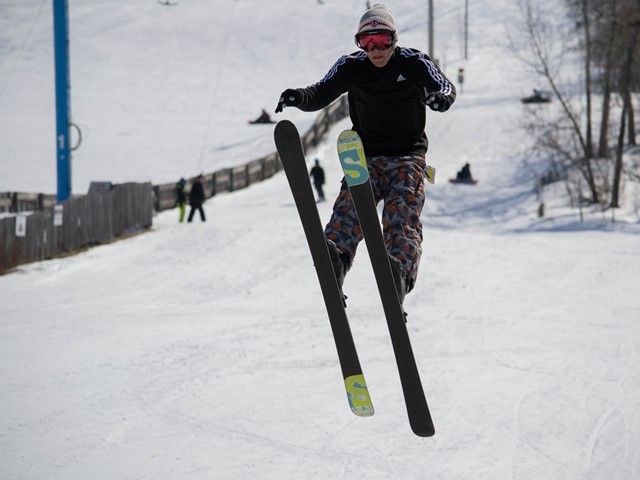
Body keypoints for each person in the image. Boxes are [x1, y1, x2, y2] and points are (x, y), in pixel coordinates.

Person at [275, 3, 455, 304]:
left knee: (402, 213)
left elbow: (445, 87)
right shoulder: (352, 66)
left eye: (382, 40)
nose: (375, 49)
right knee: (351, 207)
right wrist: (298, 97)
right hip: (367, 158)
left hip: (407, 157)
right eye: (366, 42)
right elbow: (320, 92)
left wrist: (440, 99)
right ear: (360, 43)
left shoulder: (413, 62)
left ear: (393, 38)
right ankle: (337, 257)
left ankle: (399, 272)